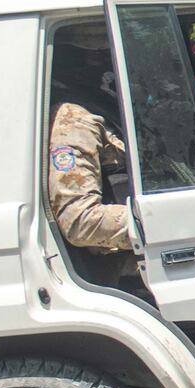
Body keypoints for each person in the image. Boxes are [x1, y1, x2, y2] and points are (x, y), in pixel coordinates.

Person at [46, 23, 139, 284]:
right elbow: (79, 221)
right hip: (118, 274)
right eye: (99, 53)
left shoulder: (104, 105)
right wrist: (161, 222)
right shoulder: (74, 118)